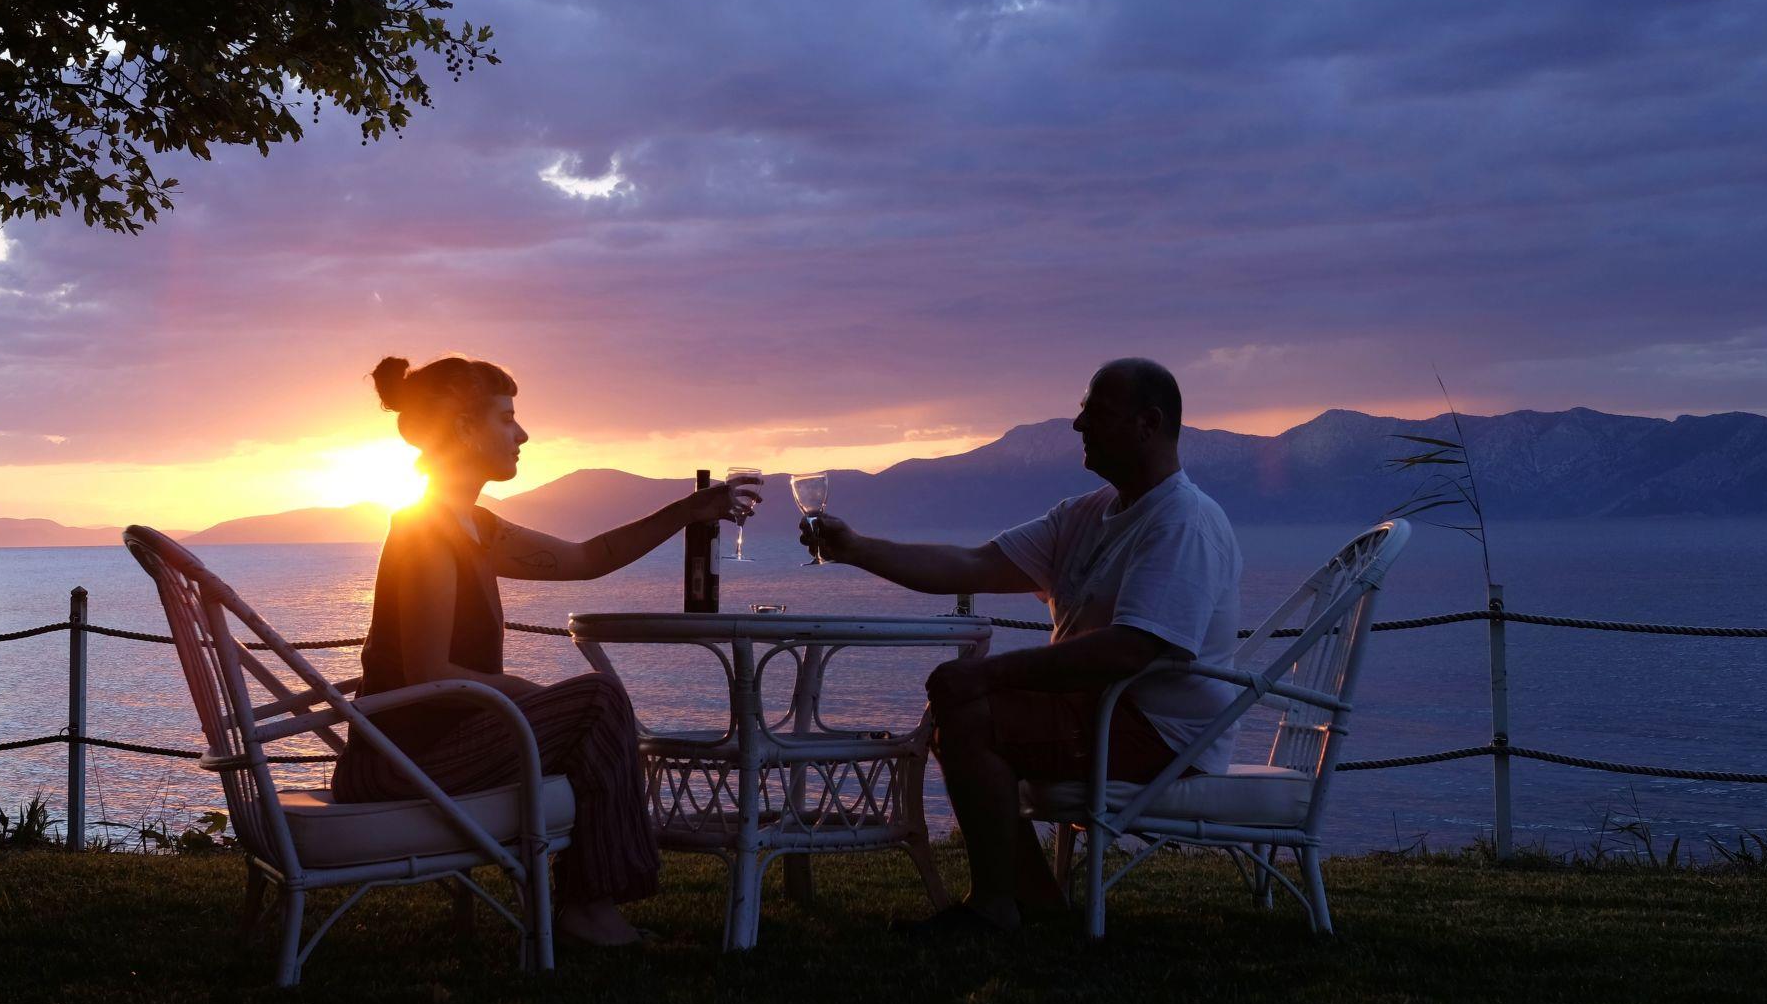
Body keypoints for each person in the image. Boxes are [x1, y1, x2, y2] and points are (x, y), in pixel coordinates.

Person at [332, 354, 760, 947]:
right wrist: (534, 697)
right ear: (464, 428)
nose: (523, 434)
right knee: (597, 702)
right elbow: (429, 673)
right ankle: (590, 912)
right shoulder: (427, 533)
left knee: (594, 707)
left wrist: (687, 512)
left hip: (434, 750)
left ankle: (591, 905)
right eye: (506, 418)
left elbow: (587, 559)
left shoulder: (474, 527)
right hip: (399, 765)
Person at [800, 358, 1241, 933]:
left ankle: (997, 906)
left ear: (1148, 424)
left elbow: (1129, 650)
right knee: (964, 706)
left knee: (971, 712)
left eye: (1097, 412)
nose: (1078, 424)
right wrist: (855, 548)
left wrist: (989, 674)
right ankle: (1033, 902)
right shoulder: (1085, 515)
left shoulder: (1182, 522)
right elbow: (973, 564)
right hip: (1102, 712)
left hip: (1162, 735)